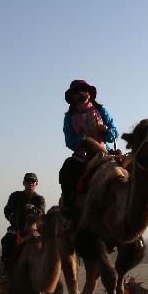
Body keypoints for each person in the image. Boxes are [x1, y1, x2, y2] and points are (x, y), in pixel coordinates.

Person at [59, 80, 118, 227]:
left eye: (83, 89)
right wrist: (83, 139)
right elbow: (69, 141)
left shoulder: (101, 111)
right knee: (67, 169)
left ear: (89, 93)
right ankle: (68, 208)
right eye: (76, 91)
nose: (80, 93)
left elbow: (114, 133)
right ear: (72, 97)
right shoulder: (69, 117)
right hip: (83, 155)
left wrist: (105, 131)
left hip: (105, 152)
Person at [1, 173, 46, 267]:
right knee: (6, 240)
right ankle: (5, 269)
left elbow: (41, 213)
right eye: (27, 181)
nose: (30, 183)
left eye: (32, 181)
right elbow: (7, 210)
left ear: (36, 184)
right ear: (23, 183)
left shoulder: (40, 199)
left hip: (35, 229)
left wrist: (33, 208)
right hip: (16, 228)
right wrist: (11, 218)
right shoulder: (15, 196)